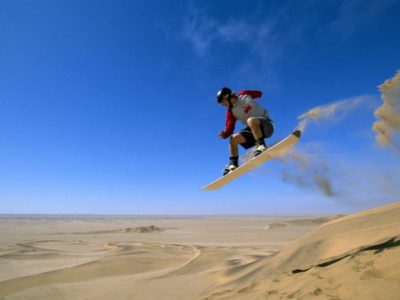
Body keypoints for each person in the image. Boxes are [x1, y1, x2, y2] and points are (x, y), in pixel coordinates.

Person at [216, 87, 274, 176]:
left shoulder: (244, 94)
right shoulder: (230, 112)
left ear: (227, 96)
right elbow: (230, 128)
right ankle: (233, 164)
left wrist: (257, 94)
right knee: (233, 139)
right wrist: (225, 134)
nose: (223, 105)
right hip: (253, 131)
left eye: (223, 102)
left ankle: (261, 146)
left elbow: (258, 93)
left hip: (266, 125)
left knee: (250, 120)